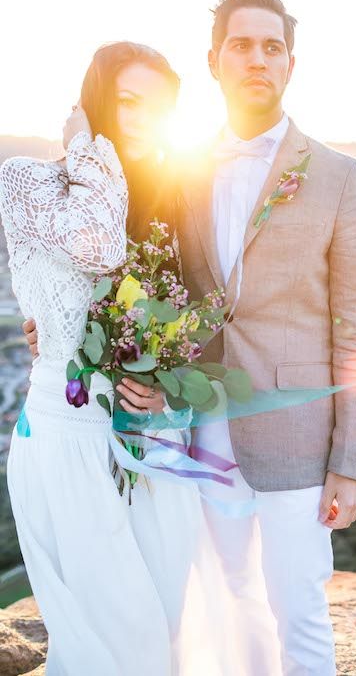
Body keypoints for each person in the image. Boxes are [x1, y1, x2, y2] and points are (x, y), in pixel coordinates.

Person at [117, 0, 356, 675]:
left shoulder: (337, 175)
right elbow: (150, 283)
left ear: (291, 64)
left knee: (297, 599)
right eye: (241, 46)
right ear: (215, 61)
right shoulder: (181, 171)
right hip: (205, 422)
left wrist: (351, 463)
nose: (258, 59)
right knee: (233, 592)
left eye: (273, 47)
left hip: (298, 431)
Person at [0, 42, 206, 676]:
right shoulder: (26, 178)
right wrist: (90, 151)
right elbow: (97, 241)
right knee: (122, 647)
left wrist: (173, 391)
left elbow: (196, 320)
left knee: (162, 633)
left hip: (159, 441)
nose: (144, 120)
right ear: (91, 104)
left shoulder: (179, 198)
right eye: (127, 102)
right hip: (69, 438)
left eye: (160, 107)